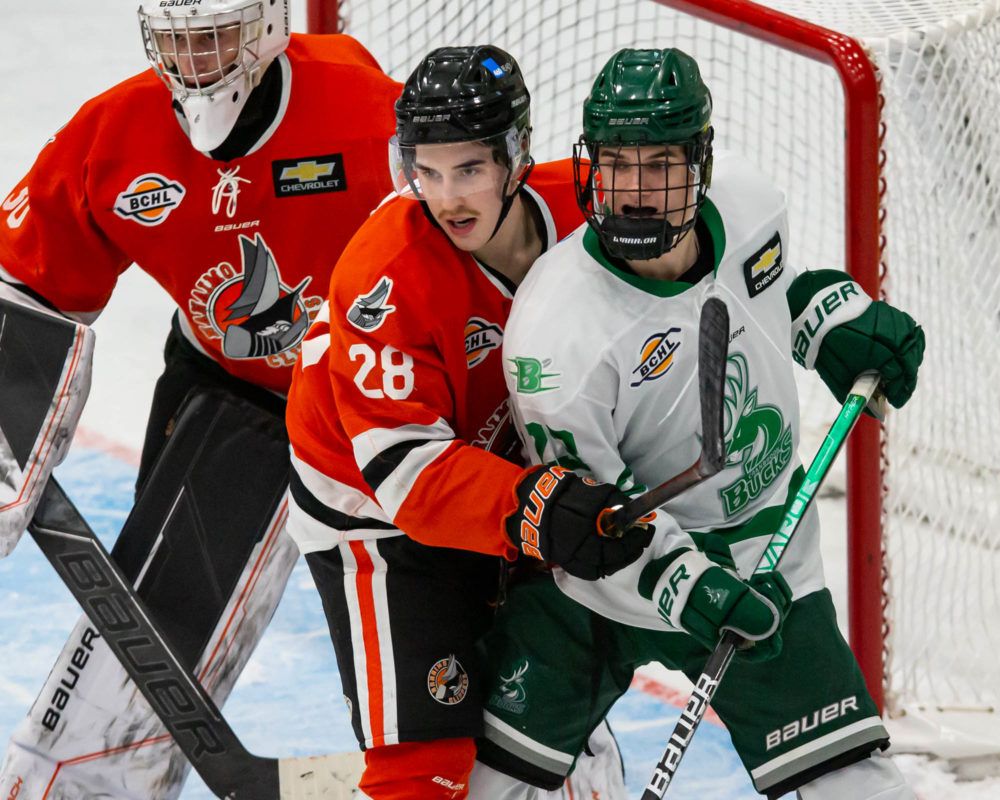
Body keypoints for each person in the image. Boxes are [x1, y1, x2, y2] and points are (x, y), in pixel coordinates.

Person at [471, 48, 926, 799]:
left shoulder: (749, 203)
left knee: (857, 784)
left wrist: (831, 321)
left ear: (701, 163)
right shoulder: (555, 331)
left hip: (759, 555)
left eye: (660, 167)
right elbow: (588, 520)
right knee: (493, 787)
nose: (635, 192)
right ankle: (585, 760)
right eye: (616, 164)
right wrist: (689, 586)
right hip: (594, 590)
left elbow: (770, 296)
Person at [0, 1, 404, 797]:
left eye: (212, 34)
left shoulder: (365, 114)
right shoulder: (116, 133)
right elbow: (24, 285)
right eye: (175, 39)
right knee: (110, 720)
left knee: (450, 689)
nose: (193, 59)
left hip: (384, 412)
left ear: (265, 27)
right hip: (232, 397)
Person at [284, 45, 649, 799]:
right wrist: (533, 508)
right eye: (428, 170)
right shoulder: (385, 274)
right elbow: (406, 478)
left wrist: (808, 308)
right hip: (372, 511)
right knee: (427, 766)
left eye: (469, 170)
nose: (447, 197)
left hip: (504, 480)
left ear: (516, 158)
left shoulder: (585, 217)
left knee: (547, 715)